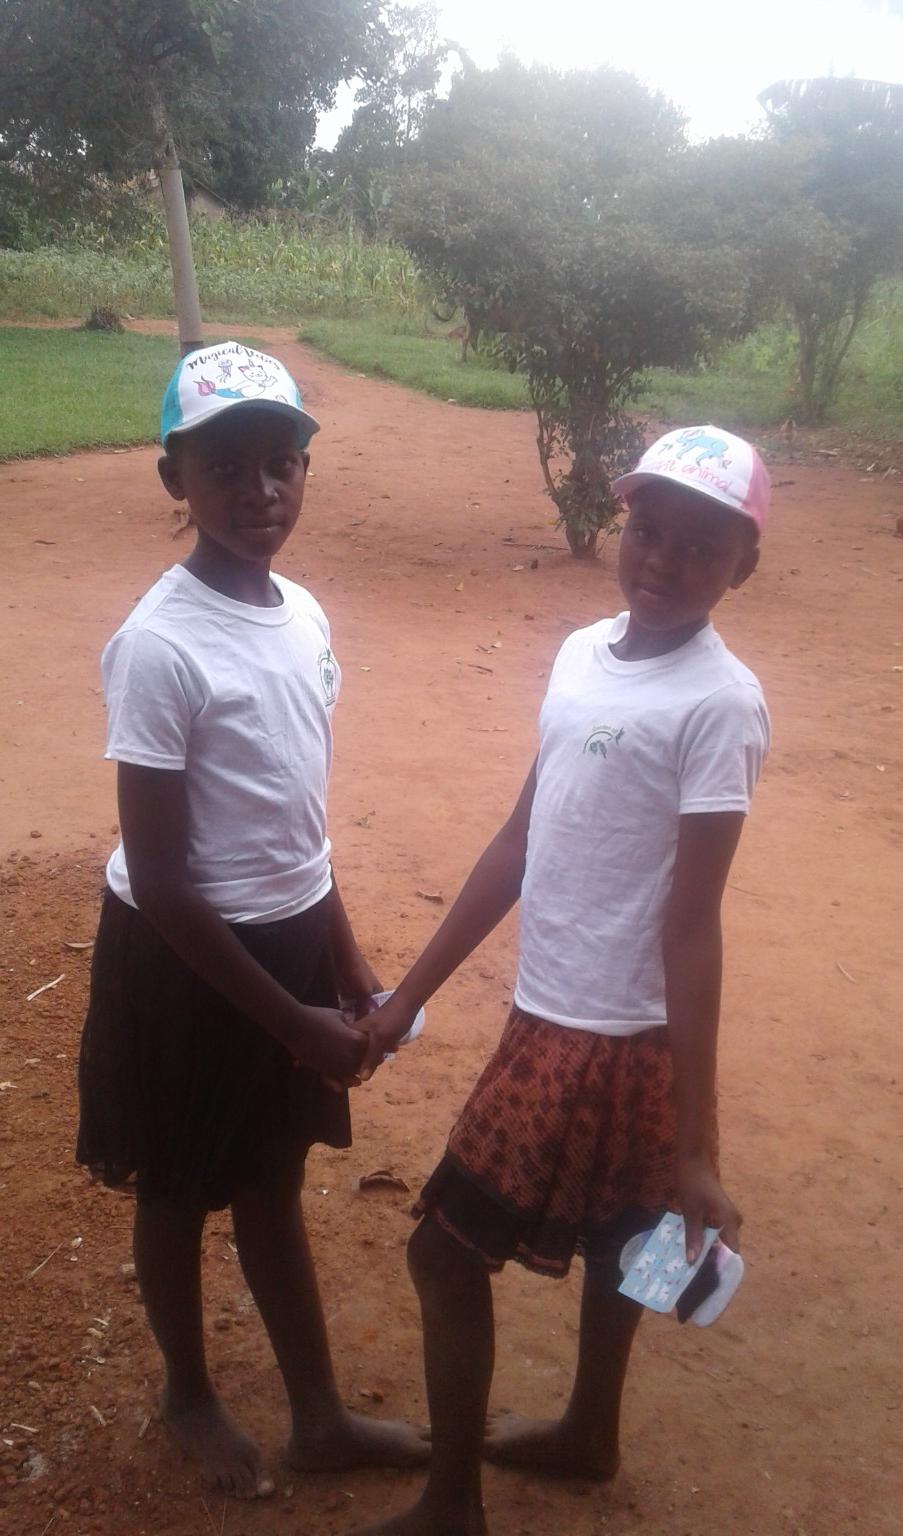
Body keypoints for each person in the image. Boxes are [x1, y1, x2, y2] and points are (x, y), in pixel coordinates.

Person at [352, 425, 773, 1536]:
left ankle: (453, 1505)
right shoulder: (583, 653)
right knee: (621, 1240)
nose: (663, 558)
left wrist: (698, 1146)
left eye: (701, 545)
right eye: (649, 529)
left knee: (445, 1254)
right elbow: (518, 839)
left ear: (744, 565)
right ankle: (589, 1435)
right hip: (545, 1010)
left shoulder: (720, 704)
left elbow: (694, 926)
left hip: (618, 1037)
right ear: (620, 524)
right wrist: (406, 997)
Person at [76, 341, 426, 1500]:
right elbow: (165, 879)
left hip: (285, 942)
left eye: (281, 463)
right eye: (225, 467)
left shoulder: (304, 616)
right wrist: (293, 1021)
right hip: (179, 962)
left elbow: (296, 823)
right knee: (176, 1188)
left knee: (271, 1181)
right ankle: (187, 1393)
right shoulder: (159, 647)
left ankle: (318, 1416)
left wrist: (348, 968)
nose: (259, 490)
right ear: (174, 478)